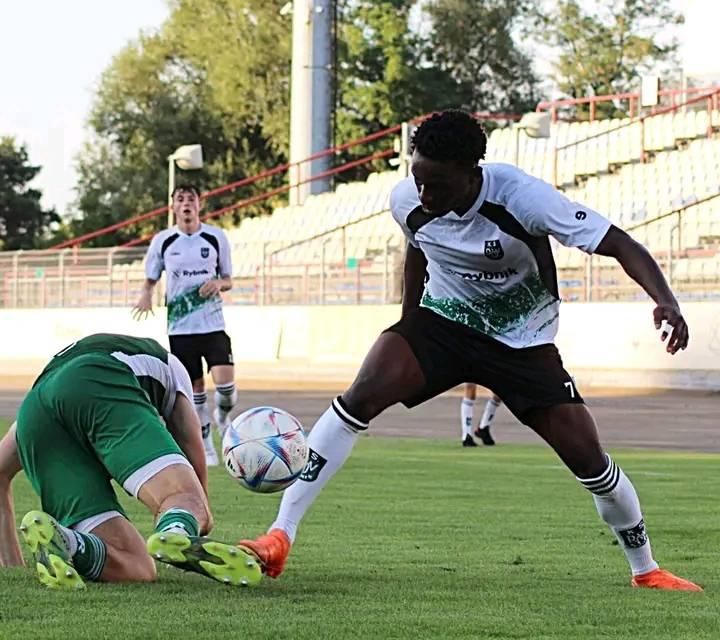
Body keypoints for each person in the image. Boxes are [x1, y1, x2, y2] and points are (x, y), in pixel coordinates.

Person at [240, 109, 701, 592]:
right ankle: (279, 536)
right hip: (445, 322)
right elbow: (418, 246)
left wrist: (665, 302)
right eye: (419, 180)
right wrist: (407, 322)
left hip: (522, 342)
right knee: (362, 392)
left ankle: (645, 569)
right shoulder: (408, 200)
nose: (425, 194)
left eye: (437, 184)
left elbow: (618, 243)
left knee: (590, 461)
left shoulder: (523, 198)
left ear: (471, 173)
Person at [0, 333, 261, 589]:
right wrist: (200, 510)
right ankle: (176, 532)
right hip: (97, 379)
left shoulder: (50, 387)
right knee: (186, 500)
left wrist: (12, 565)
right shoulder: (172, 367)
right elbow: (189, 435)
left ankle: (68, 542)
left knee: (137, 566)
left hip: (33, 413)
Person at [133, 184, 237, 466]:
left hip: (213, 324)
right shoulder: (163, 241)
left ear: (199, 205)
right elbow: (151, 278)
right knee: (195, 393)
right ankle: (207, 446)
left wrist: (218, 283)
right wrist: (145, 295)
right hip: (180, 329)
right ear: (174, 207)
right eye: (180, 199)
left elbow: (228, 278)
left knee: (227, 389)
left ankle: (223, 416)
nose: (186, 203)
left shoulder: (215, 237)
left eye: (191, 199)